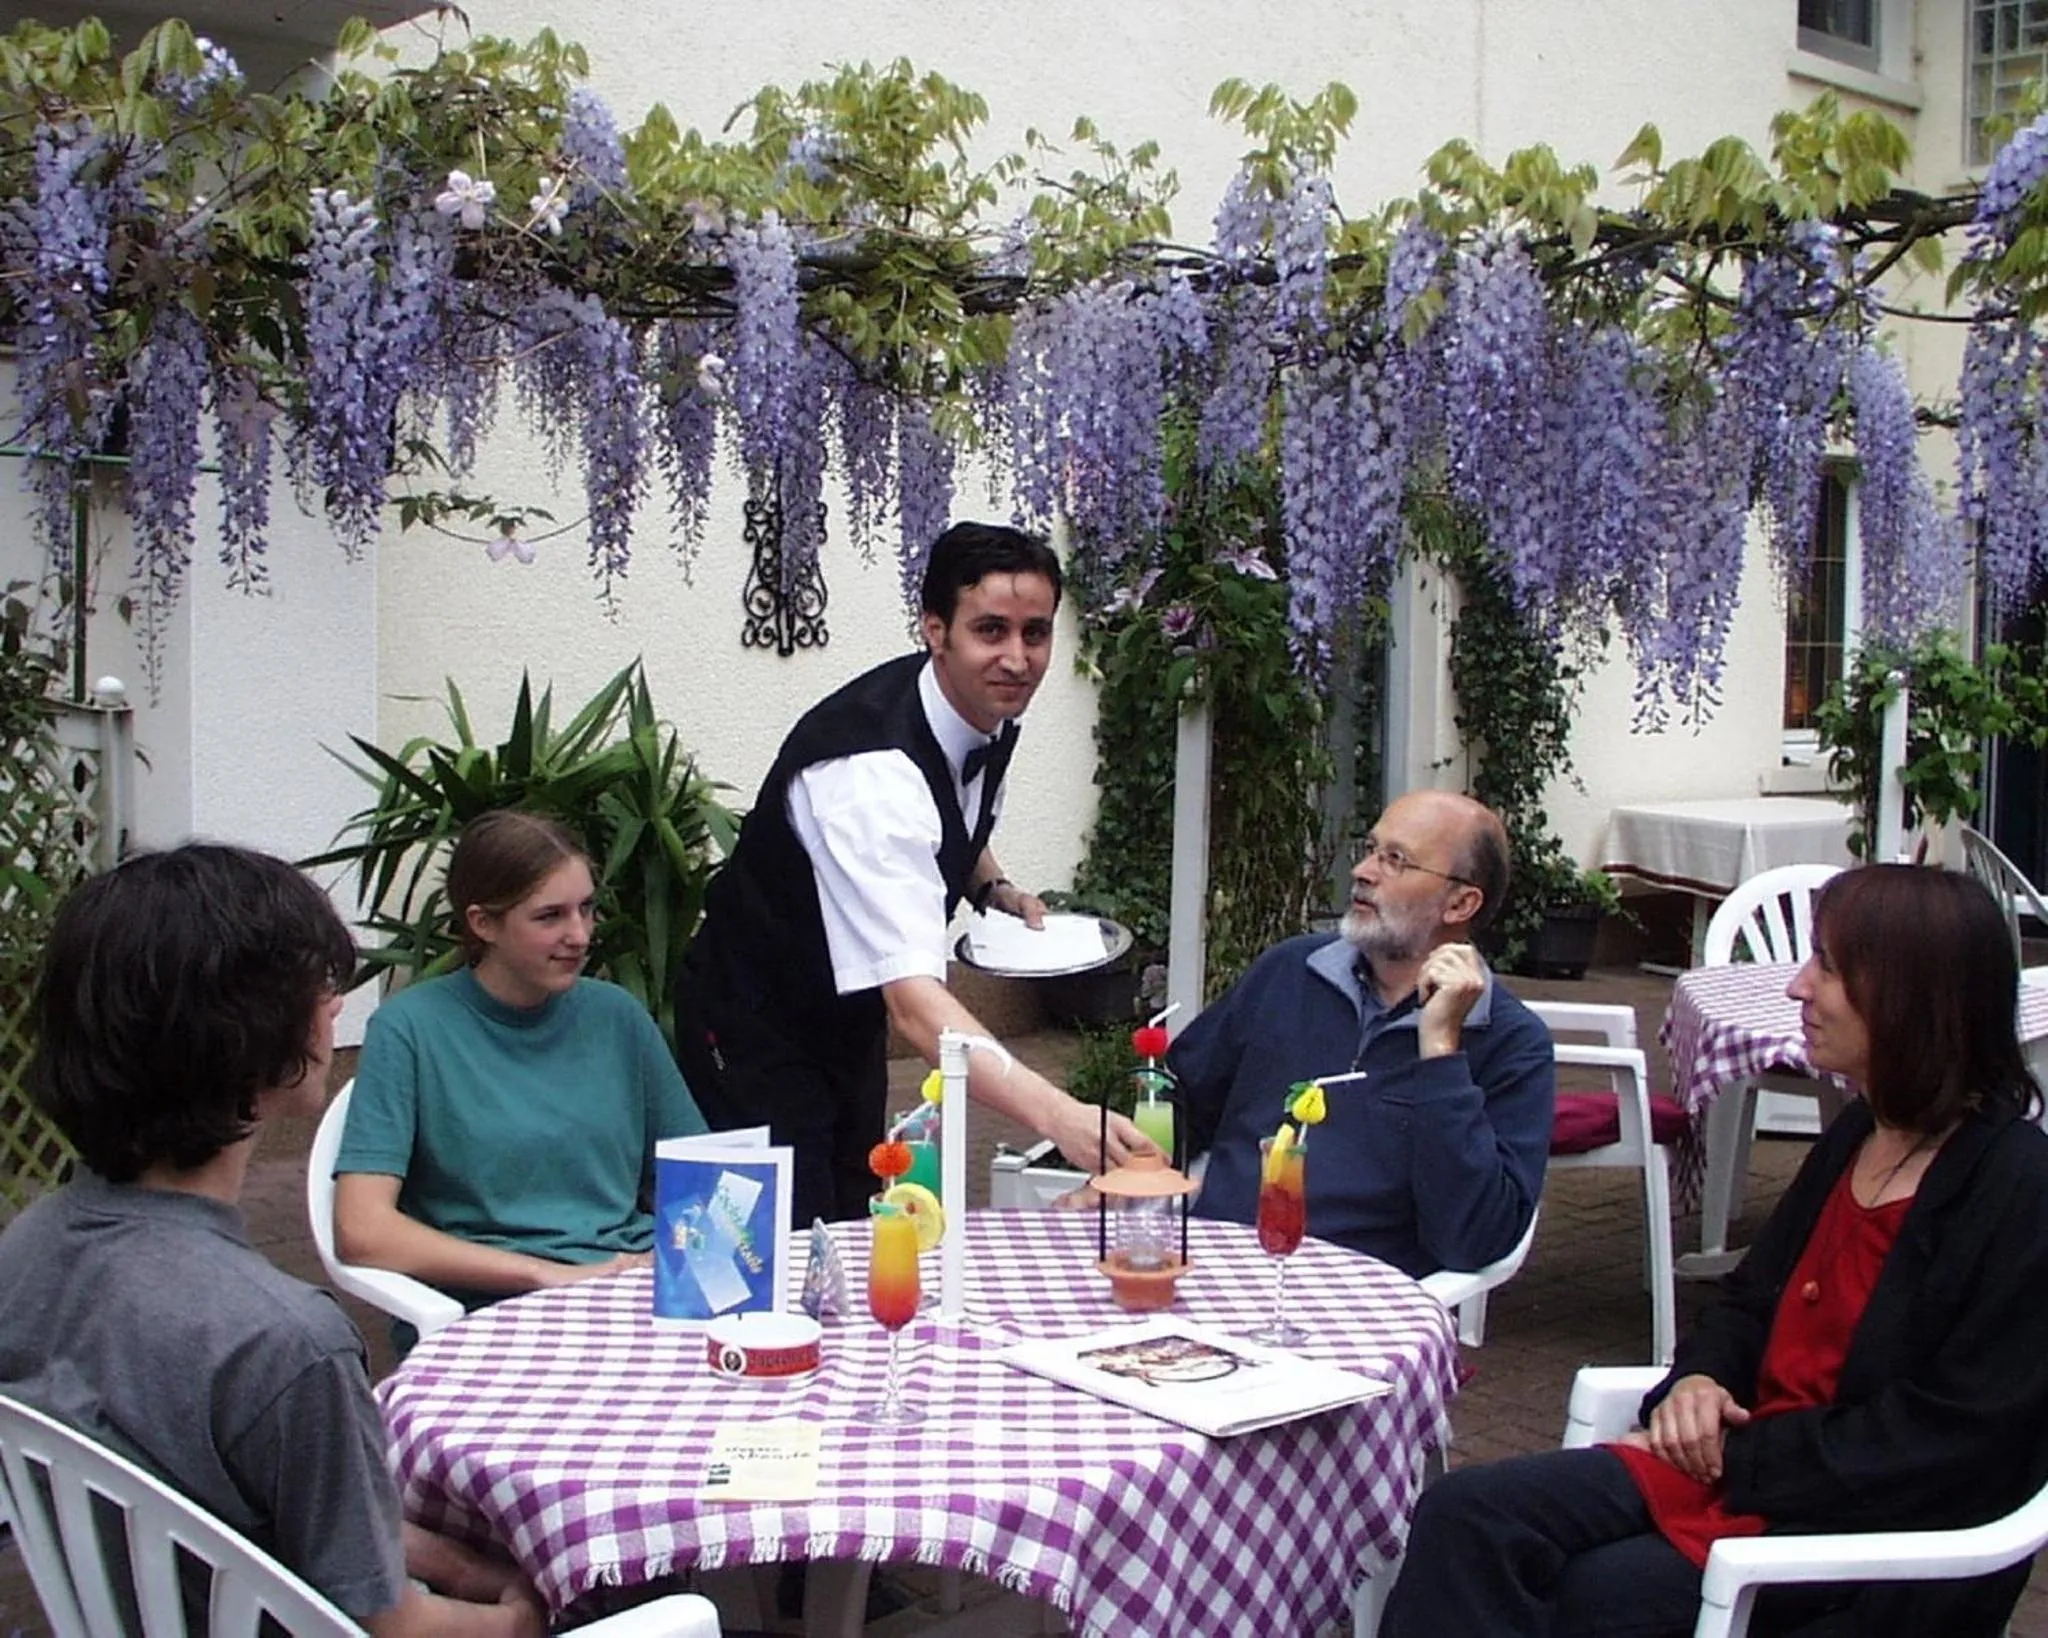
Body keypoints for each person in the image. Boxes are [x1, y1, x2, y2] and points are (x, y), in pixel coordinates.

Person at [1381, 864, 2048, 1638]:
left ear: (1910, 997)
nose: (1799, 988)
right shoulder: (1858, 1138)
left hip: (1856, 1535)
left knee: (1593, 1595)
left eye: (1827, 966)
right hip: (1731, 1471)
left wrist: (1738, 1453)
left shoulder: (2016, 1191)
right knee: (1467, 1514)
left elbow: (1954, 1440)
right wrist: (1699, 1379)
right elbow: (1749, 1301)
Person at [0, 845, 546, 1637]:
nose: (333, 1007)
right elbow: (389, 1624)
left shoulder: (28, 1249)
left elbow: (278, 1522)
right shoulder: (284, 1344)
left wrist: (468, 1569)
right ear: (242, 1033)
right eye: (318, 988)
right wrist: (527, 1618)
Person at [675, 520, 1150, 1227]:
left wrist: (990, 885)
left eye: (1036, 633)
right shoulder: (869, 775)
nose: (1017, 659)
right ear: (936, 630)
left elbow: (954, 812)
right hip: (752, 1022)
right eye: (991, 630)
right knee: (785, 1239)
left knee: (857, 1218)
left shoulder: (980, 708)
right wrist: (1061, 1116)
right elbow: (915, 1008)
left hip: (848, 1019)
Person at [1169, 788, 1554, 1278]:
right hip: (1210, 1271)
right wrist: (1127, 1174)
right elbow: (1180, 1103)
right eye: (1371, 849)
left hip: (1358, 1305)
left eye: (1396, 860)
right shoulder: (1291, 971)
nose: (1363, 871)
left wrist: (1440, 1053)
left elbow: (1475, 1241)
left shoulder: (1511, 1043)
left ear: (1459, 903)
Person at [335, 810, 705, 1307]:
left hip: (627, 1286)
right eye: (550, 916)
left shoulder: (617, 1016)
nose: (580, 934)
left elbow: (705, 1178)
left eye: (587, 908)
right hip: (490, 1304)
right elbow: (361, 1230)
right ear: (483, 922)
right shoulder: (409, 1030)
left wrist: (688, 1270)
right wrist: (544, 1275)